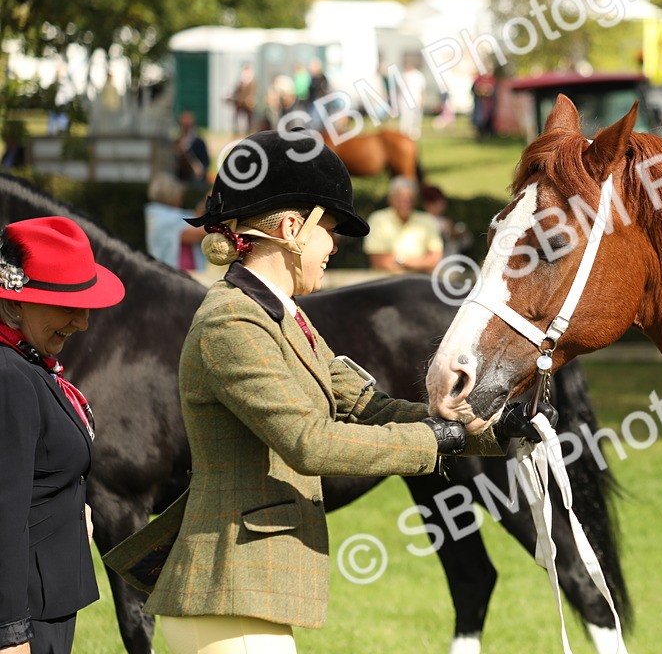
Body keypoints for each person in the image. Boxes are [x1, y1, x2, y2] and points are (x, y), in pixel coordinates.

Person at [102, 131, 548, 654]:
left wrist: (488, 430)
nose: (335, 246)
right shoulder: (231, 323)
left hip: (248, 594)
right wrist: (436, 441)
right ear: (292, 230)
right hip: (227, 587)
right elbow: (309, 443)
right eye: (330, 231)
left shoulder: (285, 317)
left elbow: (370, 406)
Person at [0, 216, 126, 654]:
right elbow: (4, 512)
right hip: (25, 615)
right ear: (15, 304)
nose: (83, 323)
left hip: (44, 601)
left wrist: (72, 514)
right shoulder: (10, 376)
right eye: (67, 306)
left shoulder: (28, 363)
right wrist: (10, 633)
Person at [364, 176, 443, 274]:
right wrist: (420, 262)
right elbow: (378, 261)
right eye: (400, 199)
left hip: (419, 279)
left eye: (409, 199)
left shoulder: (428, 221)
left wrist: (401, 261)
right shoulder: (378, 219)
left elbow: (434, 260)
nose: (405, 204)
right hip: (386, 280)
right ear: (390, 199)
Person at [144, 173, 206, 270]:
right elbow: (199, 231)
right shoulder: (164, 219)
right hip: (175, 274)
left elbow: (194, 218)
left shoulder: (159, 215)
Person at [420, 184, 473, 257]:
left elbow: (467, 242)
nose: (442, 205)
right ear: (427, 204)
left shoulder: (445, 220)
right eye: (437, 202)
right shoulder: (424, 221)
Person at [173, 111, 210, 186]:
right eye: (184, 125)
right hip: (181, 178)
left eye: (188, 125)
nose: (185, 127)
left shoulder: (199, 142)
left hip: (196, 179)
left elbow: (205, 162)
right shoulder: (177, 141)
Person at [397, 58, 425, 140]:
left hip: (415, 100)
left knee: (415, 119)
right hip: (404, 101)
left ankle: (414, 135)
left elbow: (422, 89)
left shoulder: (418, 75)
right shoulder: (403, 75)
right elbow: (399, 90)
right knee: (405, 119)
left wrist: (422, 100)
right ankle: (404, 134)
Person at [228, 64, 257, 135]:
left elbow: (252, 92)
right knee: (236, 116)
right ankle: (236, 131)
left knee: (250, 118)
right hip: (240, 102)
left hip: (248, 103)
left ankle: (249, 131)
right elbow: (236, 91)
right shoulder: (240, 82)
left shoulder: (252, 82)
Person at [47, 65, 74, 136]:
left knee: (63, 122)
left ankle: (62, 133)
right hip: (55, 107)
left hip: (63, 107)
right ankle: (52, 134)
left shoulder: (66, 84)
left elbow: (69, 96)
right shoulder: (54, 84)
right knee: (52, 125)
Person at [471, 67, 496, 138]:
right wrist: (480, 92)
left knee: (488, 119)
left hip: (488, 104)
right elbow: (473, 90)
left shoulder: (492, 80)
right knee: (479, 119)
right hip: (479, 104)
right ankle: (479, 133)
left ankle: (487, 133)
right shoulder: (478, 80)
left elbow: (494, 92)